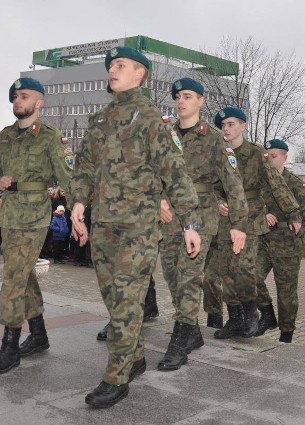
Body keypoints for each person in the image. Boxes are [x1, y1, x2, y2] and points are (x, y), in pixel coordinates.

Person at [70, 46, 201, 408]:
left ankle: (116, 378)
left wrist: (190, 222)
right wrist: (78, 203)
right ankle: (136, 357)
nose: (113, 70)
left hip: (138, 229)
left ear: (140, 73)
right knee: (113, 299)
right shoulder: (98, 120)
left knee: (127, 303)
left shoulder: (150, 121)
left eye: (121, 65)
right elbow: (83, 168)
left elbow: (175, 173)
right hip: (103, 227)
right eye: (111, 65)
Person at [0, 77, 74, 375]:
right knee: (23, 273)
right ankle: (38, 334)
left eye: (23, 96)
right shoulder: (6, 136)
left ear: (39, 102)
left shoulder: (50, 136)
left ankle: (10, 346)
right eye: (15, 97)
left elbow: (67, 175)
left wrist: (78, 212)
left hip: (35, 214)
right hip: (9, 212)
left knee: (12, 276)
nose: (17, 101)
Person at [157, 78, 248, 372]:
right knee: (173, 278)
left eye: (188, 96)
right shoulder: (164, 134)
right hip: (169, 218)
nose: (181, 101)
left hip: (201, 216)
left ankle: (180, 340)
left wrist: (238, 223)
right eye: (178, 96)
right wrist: (159, 199)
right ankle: (193, 331)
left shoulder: (212, 138)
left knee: (189, 279)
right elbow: (152, 173)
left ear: (200, 101)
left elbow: (233, 183)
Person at [211, 107, 301, 340]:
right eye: (223, 125)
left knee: (245, 269)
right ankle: (235, 319)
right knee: (226, 271)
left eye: (231, 124)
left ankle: (253, 316)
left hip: (251, 218)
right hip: (226, 219)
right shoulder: (218, 152)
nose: (226, 129)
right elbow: (210, 186)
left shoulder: (257, 153)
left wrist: (292, 212)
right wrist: (218, 201)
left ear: (243, 126)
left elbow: (276, 184)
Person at [255, 139, 305, 343]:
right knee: (249, 277)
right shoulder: (260, 181)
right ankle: (267, 315)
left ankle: (286, 335)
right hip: (263, 240)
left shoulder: (295, 183)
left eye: (274, 156)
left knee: (286, 292)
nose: (269, 160)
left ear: (285, 158)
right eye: (266, 156)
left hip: (288, 243)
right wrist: (262, 214)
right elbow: (248, 203)